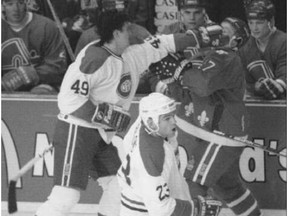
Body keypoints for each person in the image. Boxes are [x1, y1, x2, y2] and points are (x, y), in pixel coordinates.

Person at [34, 2, 206, 215]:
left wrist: (198, 37)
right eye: (127, 28)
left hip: (100, 135)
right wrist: (104, 116)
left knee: (117, 186)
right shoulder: (94, 58)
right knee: (66, 196)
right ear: (116, 33)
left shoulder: (131, 54)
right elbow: (69, 99)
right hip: (76, 130)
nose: (132, 32)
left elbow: (162, 44)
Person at [172, 18, 263, 216]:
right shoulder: (210, 53)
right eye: (216, 30)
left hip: (220, 134)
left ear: (235, 41)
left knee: (194, 182)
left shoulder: (225, 55)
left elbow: (203, 85)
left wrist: (182, 72)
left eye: (223, 32)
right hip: (214, 131)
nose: (216, 34)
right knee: (227, 187)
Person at [117, 92, 222, 216]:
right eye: (167, 118)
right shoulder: (153, 154)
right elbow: (161, 209)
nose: (174, 121)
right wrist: (196, 208)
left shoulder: (144, 126)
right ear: (151, 123)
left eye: (173, 115)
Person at [1, 0, 67, 94]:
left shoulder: (47, 26)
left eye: (20, 3)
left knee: (41, 92)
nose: (16, 9)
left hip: (40, 85)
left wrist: (33, 73)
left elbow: (58, 67)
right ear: (2, 4)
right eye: (10, 4)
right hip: (4, 90)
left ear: (26, 3)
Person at [239, 0, 286, 100]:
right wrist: (256, 87)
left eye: (259, 23)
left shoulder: (284, 42)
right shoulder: (245, 48)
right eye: (251, 23)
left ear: (271, 21)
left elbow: (285, 73)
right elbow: (244, 82)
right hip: (258, 106)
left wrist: (278, 84)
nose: (254, 28)